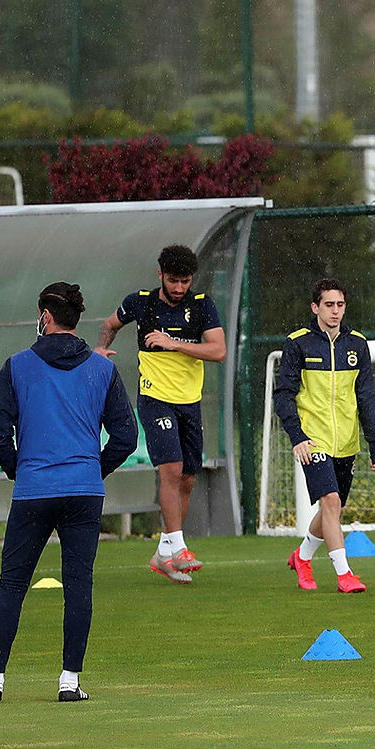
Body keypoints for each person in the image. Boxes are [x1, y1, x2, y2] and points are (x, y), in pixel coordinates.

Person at [0, 283, 136, 705]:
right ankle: (69, 682)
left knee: (12, 584)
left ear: (45, 316)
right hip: (84, 491)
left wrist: (18, 467)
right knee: (78, 585)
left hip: (34, 489)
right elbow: (126, 436)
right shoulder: (101, 369)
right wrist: (94, 469)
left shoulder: (17, 365)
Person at [96, 244, 226, 583]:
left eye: (185, 281)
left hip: (189, 401)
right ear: (160, 275)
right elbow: (110, 323)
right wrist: (101, 348)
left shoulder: (202, 306)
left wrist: (174, 343)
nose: (179, 288)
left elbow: (218, 351)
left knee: (188, 478)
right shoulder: (141, 302)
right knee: (171, 469)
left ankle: (164, 553)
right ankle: (178, 548)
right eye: (173, 281)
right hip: (155, 398)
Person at [273, 279, 375, 592]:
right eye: (328, 305)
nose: (335, 311)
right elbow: (283, 395)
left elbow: (366, 397)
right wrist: (298, 436)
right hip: (313, 440)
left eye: (340, 305)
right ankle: (344, 574)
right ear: (315, 307)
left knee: (331, 510)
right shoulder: (298, 343)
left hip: (347, 442)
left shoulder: (358, 344)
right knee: (331, 502)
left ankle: (302, 557)